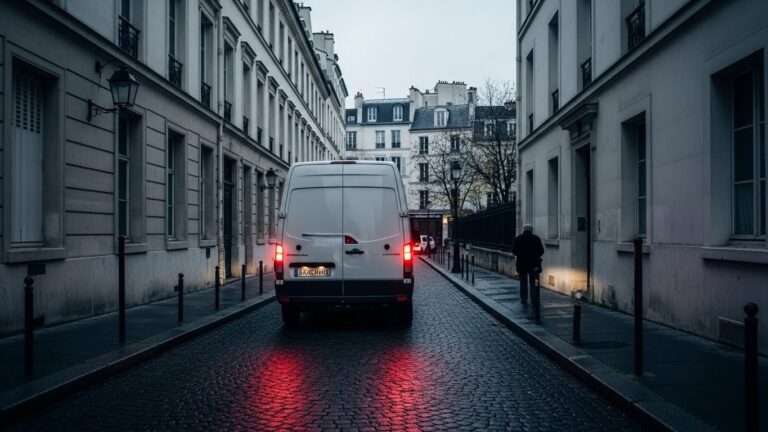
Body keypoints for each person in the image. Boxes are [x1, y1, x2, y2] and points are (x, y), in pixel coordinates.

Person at [512, 224, 544, 305]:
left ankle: (524, 299)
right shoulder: (536, 238)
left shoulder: (518, 238)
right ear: (531, 230)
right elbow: (541, 251)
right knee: (534, 282)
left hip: (522, 264)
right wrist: (536, 256)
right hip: (534, 265)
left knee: (523, 282)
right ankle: (534, 299)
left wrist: (520, 255)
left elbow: (514, 250)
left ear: (524, 230)